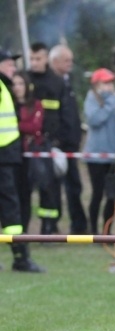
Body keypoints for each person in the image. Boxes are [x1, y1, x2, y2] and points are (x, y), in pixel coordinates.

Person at [0, 49, 44, 272]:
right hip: (3, 157)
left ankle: (21, 256)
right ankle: (20, 258)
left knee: (11, 210)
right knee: (10, 210)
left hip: (7, 157)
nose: (13, 69)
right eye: (8, 64)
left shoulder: (4, 87)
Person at [83, 68, 115, 235]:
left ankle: (106, 231)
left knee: (112, 194)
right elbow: (95, 120)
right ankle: (93, 229)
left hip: (114, 154)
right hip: (95, 156)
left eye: (111, 82)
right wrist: (111, 106)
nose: (109, 86)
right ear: (96, 84)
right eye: (105, 82)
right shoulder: (91, 99)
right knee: (97, 193)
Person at [27, 43, 65, 234]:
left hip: (48, 142)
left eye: (38, 59)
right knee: (25, 186)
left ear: (46, 58)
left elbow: (65, 114)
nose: (34, 63)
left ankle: (48, 226)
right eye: (31, 59)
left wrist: (60, 140)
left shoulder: (57, 83)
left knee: (49, 186)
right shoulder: (24, 80)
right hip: (26, 143)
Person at [49, 44, 86, 235]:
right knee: (53, 187)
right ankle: (51, 224)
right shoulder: (51, 84)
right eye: (66, 60)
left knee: (75, 186)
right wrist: (57, 140)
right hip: (57, 145)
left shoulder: (67, 82)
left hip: (71, 145)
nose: (70, 64)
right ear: (54, 62)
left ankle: (78, 225)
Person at [11, 71, 44, 232]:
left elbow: (35, 127)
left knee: (26, 194)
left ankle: (24, 230)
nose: (17, 88)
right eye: (14, 84)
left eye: (20, 83)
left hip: (28, 156)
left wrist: (17, 125)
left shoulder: (35, 104)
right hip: (10, 155)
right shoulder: (9, 104)